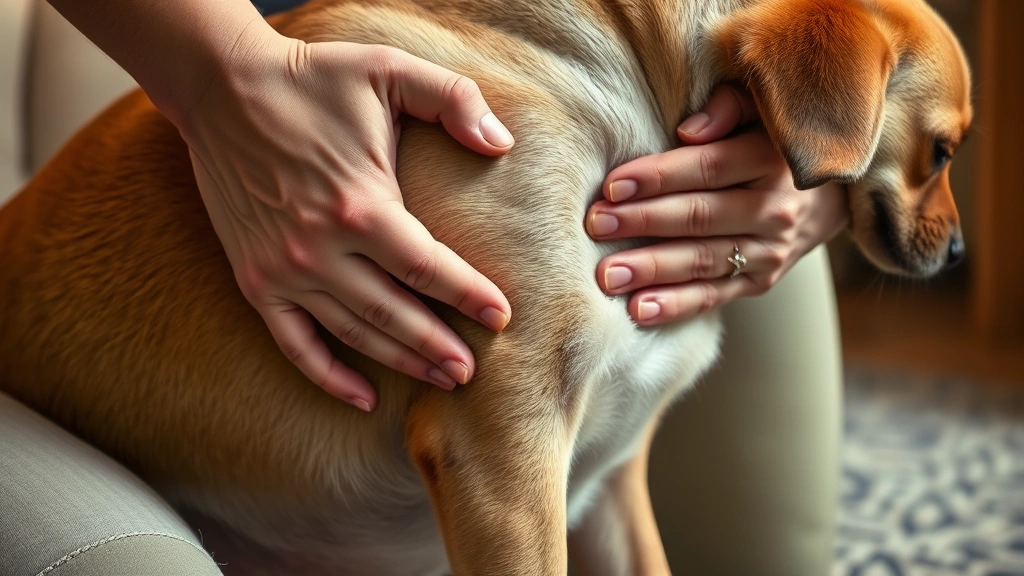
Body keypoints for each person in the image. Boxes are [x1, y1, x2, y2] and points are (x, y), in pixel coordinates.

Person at [8, 0, 846, 573]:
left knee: (762, 547)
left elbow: (873, 56)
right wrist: (224, 78)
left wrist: (818, 176)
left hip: (630, 63)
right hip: (203, 45)